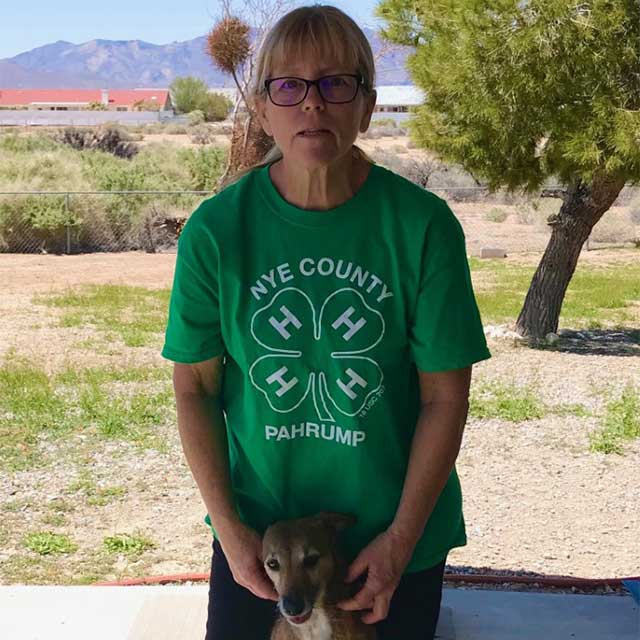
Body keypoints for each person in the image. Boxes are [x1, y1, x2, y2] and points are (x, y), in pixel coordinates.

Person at [161, 4, 491, 639]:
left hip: (393, 536)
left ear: (366, 106)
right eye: (288, 85)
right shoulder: (217, 232)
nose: (312, 103)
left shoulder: (421, 227)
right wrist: (233, 537)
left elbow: (444, 397)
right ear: (260, 108)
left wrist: (398, 542)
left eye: (337, 83)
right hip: (266, 547)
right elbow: (194, 387)